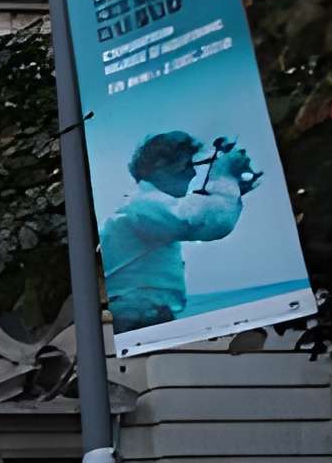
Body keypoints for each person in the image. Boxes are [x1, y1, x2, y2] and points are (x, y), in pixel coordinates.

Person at [98, 130, 259, 332]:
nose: (193, 174)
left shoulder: (145, 207)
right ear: (159, 167)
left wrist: (234, 187)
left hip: (141, 315)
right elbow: (200, 222)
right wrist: (225, 175)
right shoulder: (142, 207)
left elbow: (201, 213)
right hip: (136, 317)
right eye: (186, 166)